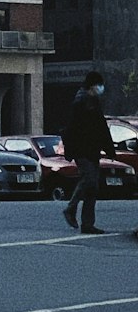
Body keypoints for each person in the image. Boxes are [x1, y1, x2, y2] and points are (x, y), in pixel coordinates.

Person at [62, 70, 114, 233]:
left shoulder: (92, 101)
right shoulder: (82, 102)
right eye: (99, 85)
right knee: (89, 181)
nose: (101, 88)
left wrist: (108, 148)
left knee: (92, 187)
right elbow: (72, 128)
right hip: (82, 150)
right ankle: (71, 208)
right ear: (93, 85)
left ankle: (87, 223)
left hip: (91, 149)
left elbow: (100, 127)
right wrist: (70, 150)